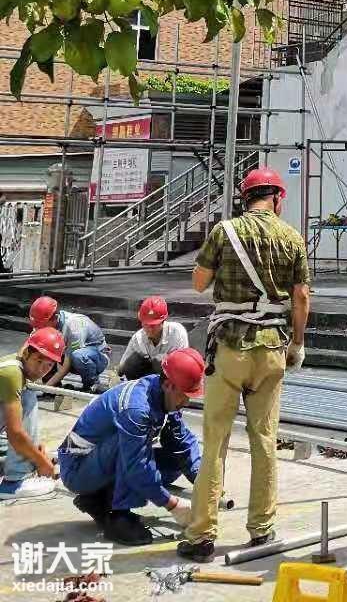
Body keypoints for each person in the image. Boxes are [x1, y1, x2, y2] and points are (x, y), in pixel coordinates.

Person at [178, 166, 310, 560]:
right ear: (277, 198)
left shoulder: (224, 232)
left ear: (245, 198)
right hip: (271, 350)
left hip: (230, 349)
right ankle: (262, 529)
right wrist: (298, 343)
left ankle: (202, 535)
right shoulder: (292, 237)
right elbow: (302, 297)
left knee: (215, 441)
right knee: (265, 440)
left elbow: (198, 283)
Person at [59, 348, 204, 545]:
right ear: (168, 385)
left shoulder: (165, 395)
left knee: (174, 460)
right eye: (185, 395)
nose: (186, 402)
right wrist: (172, 504)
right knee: (132, 451)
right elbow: (137, 464)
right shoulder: (135, 408)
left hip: (98, 462)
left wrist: (203, 482)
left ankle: (99, 499)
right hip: (78, 468)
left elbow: (182, 441)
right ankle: (120, 517)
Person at [0, 327, 65, 501]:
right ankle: (15, 481)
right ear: (27, 353)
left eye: (49, 365)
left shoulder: (15, 366)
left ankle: (22, 461)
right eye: (39, 361)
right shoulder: (12, 373)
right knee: (28, 396)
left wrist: (35, 449)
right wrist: (41, 462)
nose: (41, 370)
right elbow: (15, 434)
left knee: (22, 449)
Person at [28, 295, 110, 392]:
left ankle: (91, 385)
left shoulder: (73, 327)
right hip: (69, 354)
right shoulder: (43, 323)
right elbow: (29, 350)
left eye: (42, 325)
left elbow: (65, 366)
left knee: (78, 356)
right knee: (44, 348)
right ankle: (53, 386)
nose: (39, 328)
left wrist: (44, 389)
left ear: (55, 318)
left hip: (97, 357)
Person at [117, 297, 190, 380]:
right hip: (145, 378)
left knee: (160, 360)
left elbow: (182, 365)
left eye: (153, 325)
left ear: (163, 322)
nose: (150, 329)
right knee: (133, 361)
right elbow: (122, 369)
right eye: (146, 325)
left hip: (171, 378)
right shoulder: (138, 338)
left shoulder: (177, 332)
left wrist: (165, 361)